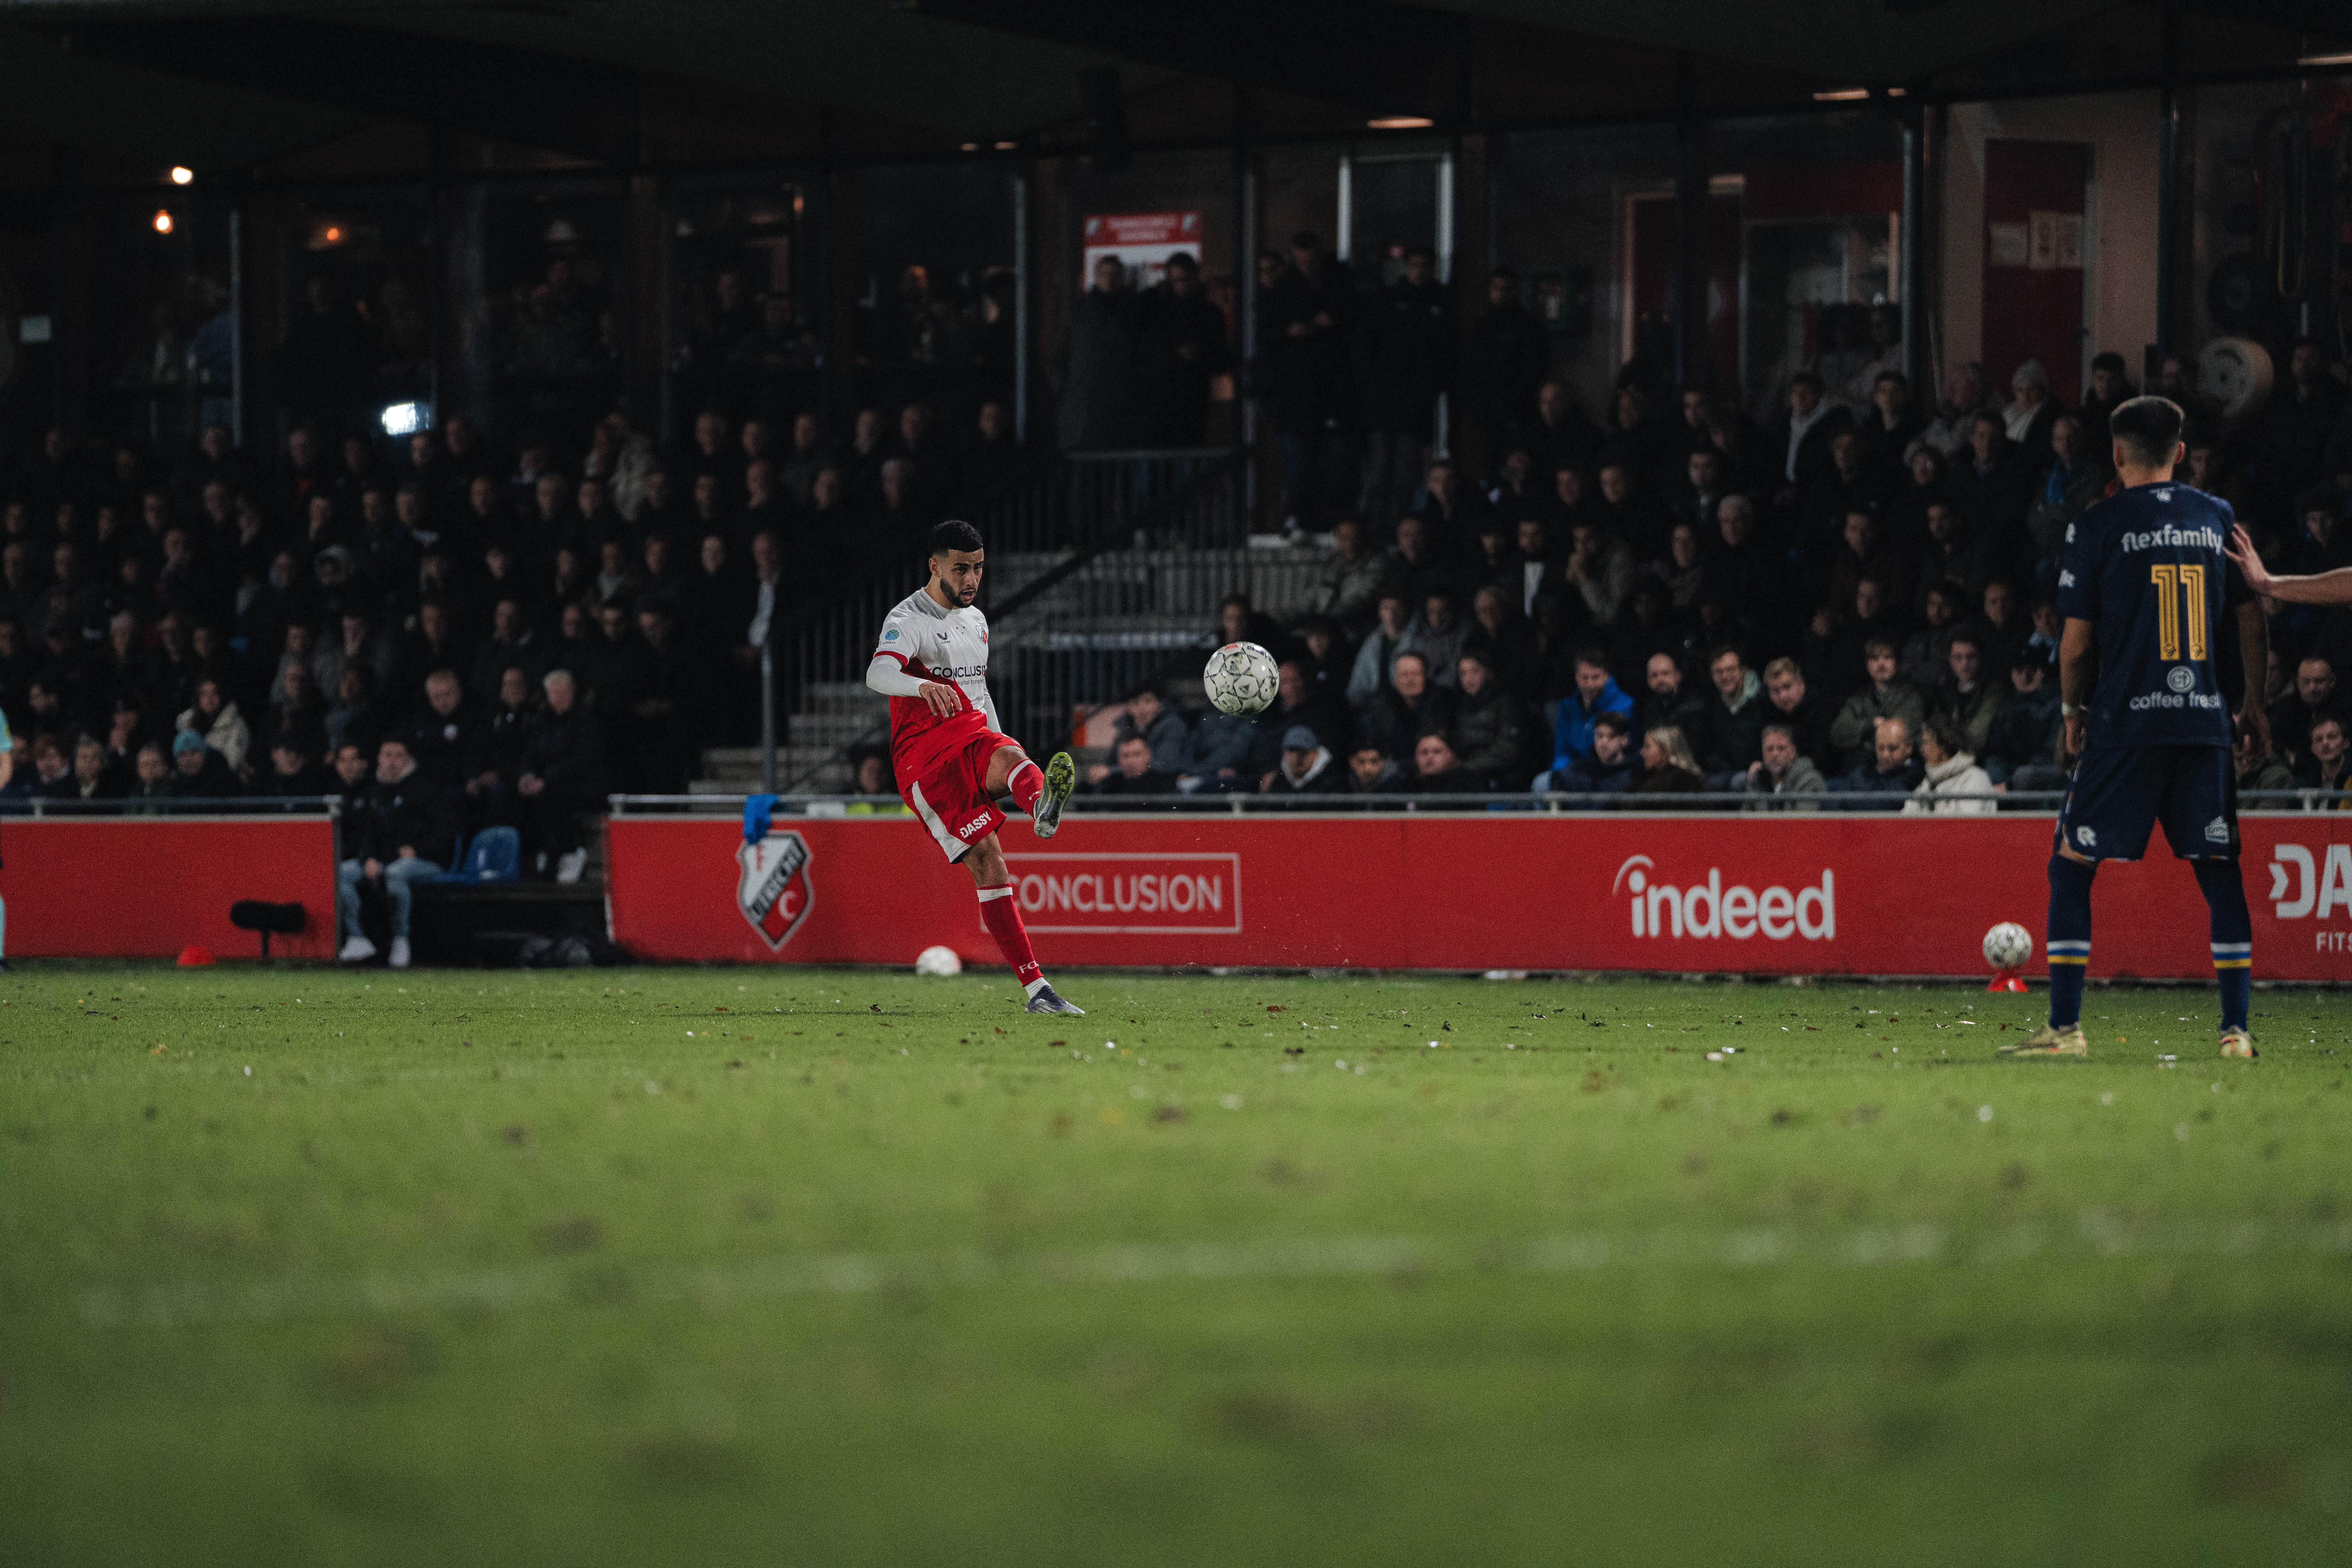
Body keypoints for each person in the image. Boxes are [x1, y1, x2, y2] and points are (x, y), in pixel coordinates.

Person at [2008, 396, 2268, 1061]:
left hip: (2125, 724)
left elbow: (2074, 643)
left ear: (2118, 454)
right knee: (2220, 871)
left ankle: (2066, 1030)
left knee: (2071, 867)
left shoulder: (2098, 523)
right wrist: (2254, 704)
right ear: (2180, 452)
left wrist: (2072, 712)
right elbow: (2250, 616)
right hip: (2203, 724)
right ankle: (2236, 1030)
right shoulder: (2217, 517)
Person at [864, 519, 1082, 1015]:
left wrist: (1004, 748)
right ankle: (1035, 989)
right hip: (924, 759)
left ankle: (1039, 804)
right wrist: (919, 685)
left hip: (970, 735)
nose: (971, 580)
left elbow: (980, 696)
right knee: (989, 862)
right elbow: (879, 672)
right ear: (935, 565)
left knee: (1012, 754)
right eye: (961, 569)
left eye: (979, 569)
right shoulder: (909, 618)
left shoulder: (978, 621)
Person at [335, 736, 454, 969]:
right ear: (379, 759)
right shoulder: (374, 793)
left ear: (409, 759)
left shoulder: (427, 789)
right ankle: (357, 937)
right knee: (341, 872)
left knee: (397, 873)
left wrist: (419, 850)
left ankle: (402, 939)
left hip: (426, 861)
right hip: (386, 859)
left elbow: (446, 831)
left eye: (399, 755)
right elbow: (368, 833)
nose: (392, 761)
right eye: (387, 755)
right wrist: (368, 858)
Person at [1536, 649, 1633, 791]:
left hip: (1609, 772)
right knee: (1541, 784)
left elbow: (1623, 750)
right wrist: (1562, 775)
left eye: (1596, 677)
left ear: (1607, 676)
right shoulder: (1567, 707)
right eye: (1585, 678)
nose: (1590, 684)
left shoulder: (1624, 705)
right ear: (1577, 677)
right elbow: (1562, 752)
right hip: (1575, 771)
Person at [1901, 713, 1995, 816]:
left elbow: (1966, 825)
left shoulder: (1975, 778)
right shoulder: (1928, 782)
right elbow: (1906, 817)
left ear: (1943, 746)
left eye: (1926, 743)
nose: (1922, 749)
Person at [1742, 722, 1825, 811]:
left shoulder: (1809, 780)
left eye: (1781, 748)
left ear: (1794, 753)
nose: (1775, 754)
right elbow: (1744, 819)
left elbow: (1803, 821)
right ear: (1763, 754)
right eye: (1770, 749)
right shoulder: (1757, 780)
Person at [1559, 710, 1637, 800]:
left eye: (1611, 736)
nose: (1604, 743)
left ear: (1625, 739)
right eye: (1600, 736)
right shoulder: (1578, 771)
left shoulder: (1636, 774)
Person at [1625, 725, 1705, 798]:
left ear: (1665, 751)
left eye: (1648, 747)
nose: (1642, 752)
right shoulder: (1641, 780)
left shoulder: (1688, 784)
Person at [1262, 725, 1343, 796]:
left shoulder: (1332, 782)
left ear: (1316, 754)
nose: (1297, 757)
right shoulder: (1279, 781)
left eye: (1305, 751)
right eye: (1292, 750)